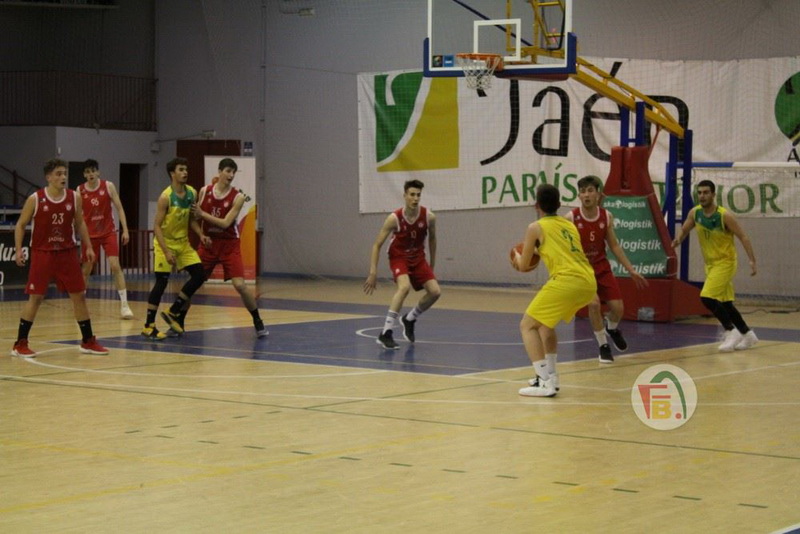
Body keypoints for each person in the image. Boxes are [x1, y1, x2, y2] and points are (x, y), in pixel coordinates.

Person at [10, 158, 109, 357]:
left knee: (79, 295)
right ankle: (20, 344)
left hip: (67, 252)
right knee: (36, 298)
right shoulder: (36, 199)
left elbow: (80, 223)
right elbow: (20, 225)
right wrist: (18, 249)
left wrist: (89, 246)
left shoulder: (74, 197)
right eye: (58, 174)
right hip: (43, 253)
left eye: (64, 173)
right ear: (48, 177)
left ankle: (88, 341)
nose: (63, 177)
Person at [512, 184, 596, 397]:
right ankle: (552, 376)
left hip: (566, 280)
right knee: (545, 325)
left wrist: (516, 256)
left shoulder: (535, 227)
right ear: (559, 204)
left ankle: (543, 382)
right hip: (587, 281)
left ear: (536, 205)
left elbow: (524, 266)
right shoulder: (569, 225)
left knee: (527, 325)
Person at [567, 176, 648, 363]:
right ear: (579, 196)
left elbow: (614, 246)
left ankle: (611, 328)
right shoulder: (571, 218)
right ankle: (603, 346)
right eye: (582, 191)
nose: (586, 195)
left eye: (590, 190)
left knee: (618, 309)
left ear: (598, 194)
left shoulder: (606, 216)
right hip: (582, 271)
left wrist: (631, 270)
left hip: (601, 267)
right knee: (594, 304)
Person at [671, 179, 758, 351]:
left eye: (706, 192)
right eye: (700, 193)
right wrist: (678, 239)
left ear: (713, 195)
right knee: (725, 304)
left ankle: (730, 331)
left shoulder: (724, 215)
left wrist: (752, 260)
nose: (702, 196)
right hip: (710, 264)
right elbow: (685, 229)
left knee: (707, 297)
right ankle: (748, 335)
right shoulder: (695, 213)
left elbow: (743, 236)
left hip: (726, 262)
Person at [191, 158, 267, 338]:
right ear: (219, 171)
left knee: (240, 285)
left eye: (233, 172)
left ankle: (257, 320)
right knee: (192, 282)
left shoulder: (238, 197)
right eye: (228, 171)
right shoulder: (204, 191)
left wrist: (203, 214)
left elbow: (225, 223)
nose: (231, 175)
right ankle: (178, 322)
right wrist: (201, 235)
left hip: (229, 244)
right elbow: (193, 219)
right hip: (209, 243)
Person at [363, 179, 441, 349]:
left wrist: (432, 265)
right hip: (399, 257)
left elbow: (433, 240)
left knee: (435, 292)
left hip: (418, 257)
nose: (415, 198)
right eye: (412, 195)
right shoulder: (394, 218)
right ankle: (386, 333)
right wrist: (373, 272)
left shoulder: (429, 217)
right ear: (405, 195)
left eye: (418, 195)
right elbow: (377, 245)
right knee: (404, 287)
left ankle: (410, 318)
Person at [142, 157, 209, 339]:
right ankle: (149, 325)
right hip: (165, 242)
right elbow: (157, 226)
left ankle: (174, 310)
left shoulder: (192, 193)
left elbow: (192, 220)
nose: (185, 172)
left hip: (183, 243)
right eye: (181, 169)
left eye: (186, 169)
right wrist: (166, 251)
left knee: (199, 275)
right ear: (172, 173)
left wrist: (201, 235)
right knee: (162, 282)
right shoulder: (166, 197)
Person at [77, 159, 134, 319]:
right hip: (90, 235)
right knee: (86, 270)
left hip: (108, 232)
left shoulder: (108, 186)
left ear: (98, 172)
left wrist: (125, 230)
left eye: (93, 171)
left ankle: (125, 306)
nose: (91, 174)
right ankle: (80, 305)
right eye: (87, 172)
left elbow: (119, 208)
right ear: (84, 174)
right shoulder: (80, 190)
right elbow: (77, 215)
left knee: (115, 265)